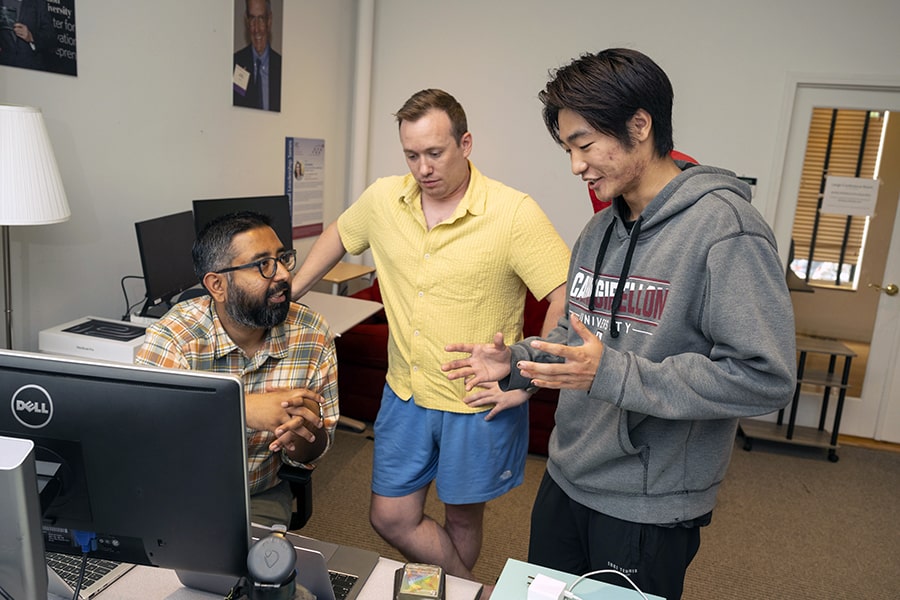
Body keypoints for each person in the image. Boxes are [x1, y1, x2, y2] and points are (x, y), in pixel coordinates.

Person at [442, 49, 796, 600]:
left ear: (639, 125)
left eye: (584, 145)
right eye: (568, 149)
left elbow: (764, 376)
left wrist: (615, 374)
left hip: (647, 503)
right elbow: (575, 339)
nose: (576, 165)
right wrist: (517, 362)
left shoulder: (725, 230)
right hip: (566, 477)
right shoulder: (599, 230)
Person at [290, 89, 570, 584]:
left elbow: (564, 294)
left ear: (465, 143)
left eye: (435, 153)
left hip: (476, 399)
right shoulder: (383, 199)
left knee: (462, 517)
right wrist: (291, 291)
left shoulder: (512, 212)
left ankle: (450, 594)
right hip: (406, 393)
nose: (423, 168)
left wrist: (527, 378)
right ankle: (475, 593)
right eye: (411, 155)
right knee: (390, 516)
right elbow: (339, 232)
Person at [136, 211, 338, 527]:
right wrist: (241, 408)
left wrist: (304, 434)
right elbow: (146, 432)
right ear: (217, 285)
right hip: (176, 492)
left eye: (283, 258)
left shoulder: (311, 332)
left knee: (254, 570)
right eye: (263, 265)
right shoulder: (175, 335)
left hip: (256, 497)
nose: (284, 274)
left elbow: (314, 451)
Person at [233, 0, 281, 112]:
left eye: (261, 19)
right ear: (246, 21)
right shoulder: (235, 63)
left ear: (269, 21)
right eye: (252, 19)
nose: (256, 29)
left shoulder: (283, 68)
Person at [0, 0, 53, 71]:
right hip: (4, 69)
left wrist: (31, 37)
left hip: (30, 69)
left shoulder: (38, 2)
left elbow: (51, 37)